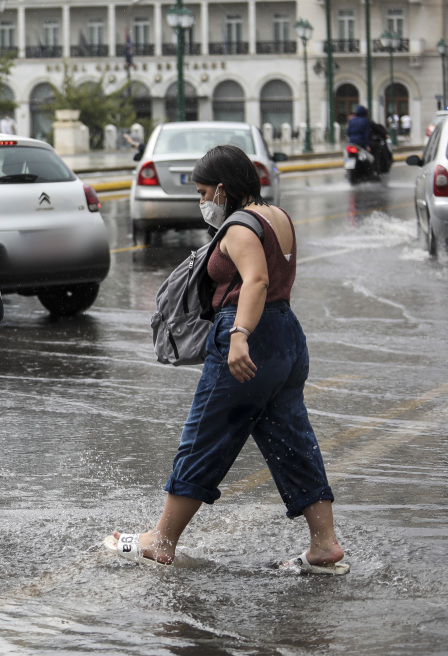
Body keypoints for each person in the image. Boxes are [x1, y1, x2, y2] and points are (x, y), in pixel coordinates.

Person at [104, 144, 348, 575]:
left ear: (223, 188)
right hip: (287, 336)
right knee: (293, 441)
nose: (201, 202)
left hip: (249, 334)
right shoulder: (278, 217)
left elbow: (255, 280)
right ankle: (324, 544)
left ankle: (160, 541)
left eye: (203, 192)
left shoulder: (239, 226)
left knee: (204, 435)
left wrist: (239, 336)